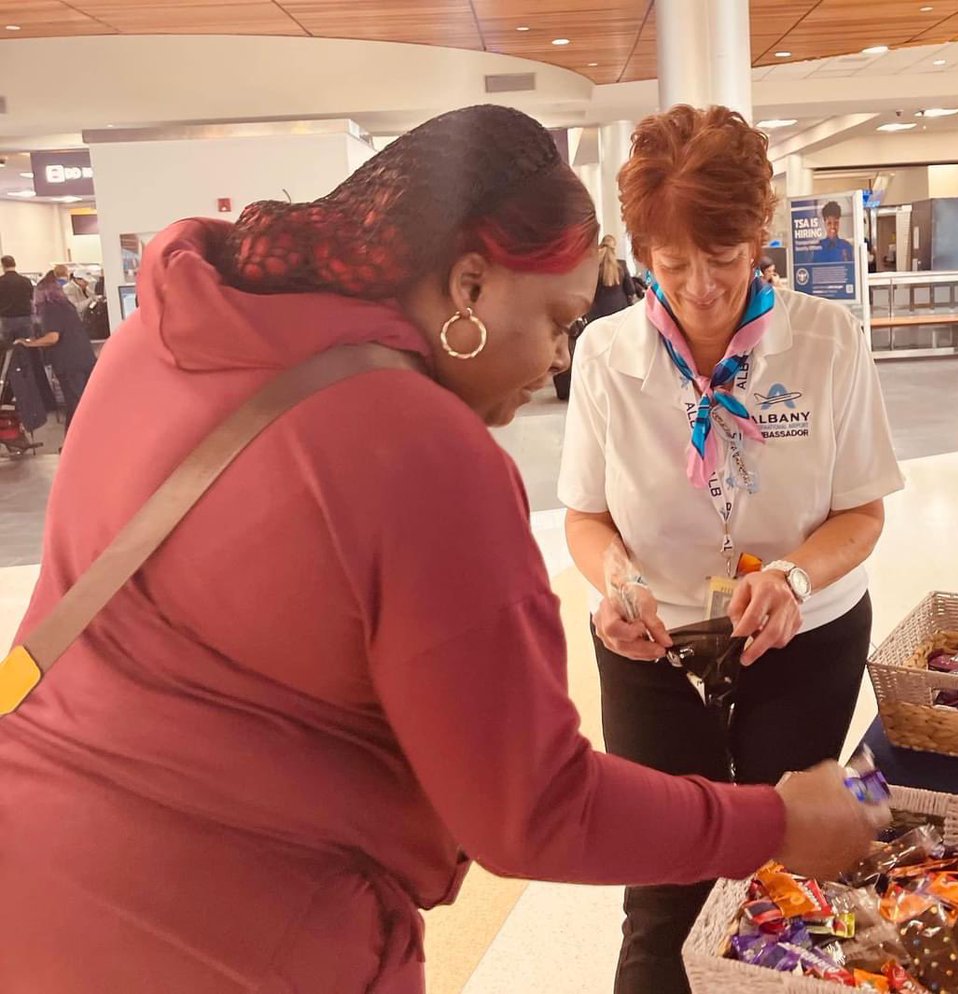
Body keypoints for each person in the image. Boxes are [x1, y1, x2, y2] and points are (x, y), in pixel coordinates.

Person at [0, 105, 886, 994]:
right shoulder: (419, 452)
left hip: (31, 878)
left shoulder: (160, 338)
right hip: (237, 935)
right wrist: (775, 823)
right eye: (553, 319)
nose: (554, 358)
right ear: (469, 284)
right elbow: (534, 809)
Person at [559, 105, 905, 994]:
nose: (702, 288)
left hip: (805, 638)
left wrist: (792, 574)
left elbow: (862, 514)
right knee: (661, 884)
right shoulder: (606, 355)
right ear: (642, 256)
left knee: (792, 859)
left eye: (724, 260)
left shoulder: (827, 341)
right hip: (656, 646)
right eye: (674, 266)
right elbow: (586, 518)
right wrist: (620, 582)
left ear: (759, 238)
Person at [555, 234, 639, 400]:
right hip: (619, 314)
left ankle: (600, 387)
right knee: (621, 351)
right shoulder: (620, 265)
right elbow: (630, 290)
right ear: (614, 247)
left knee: (599, 353)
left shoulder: (593, 266)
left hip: (596, 316)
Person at [25, 270, 97, 430]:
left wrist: (30, 343)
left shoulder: (49, 309)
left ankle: (75, 444)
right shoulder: (66, 306)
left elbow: (53, 337)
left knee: (75, 404)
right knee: (84, 403)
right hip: (85, 359)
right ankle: (77, 442)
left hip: (69, 363)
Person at [0, 254, 35, 345]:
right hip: (25, 317)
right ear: (15, 264)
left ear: (3, 266)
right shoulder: (25, 280)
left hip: (6, 318)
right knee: (27, 345)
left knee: (7, 347)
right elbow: (32, 298)